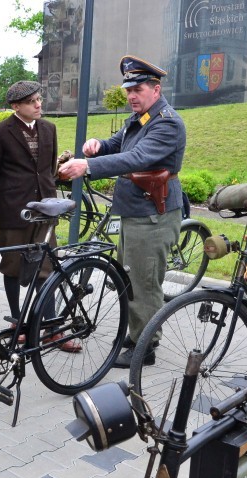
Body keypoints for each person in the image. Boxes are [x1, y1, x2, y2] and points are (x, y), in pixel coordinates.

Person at [58, 55, 186, 368]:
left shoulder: (167, 122)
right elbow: (120, 144)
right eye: (128, 89)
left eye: (137, 89)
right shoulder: (142, 118)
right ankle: (137, 334)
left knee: (145, 283)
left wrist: (88, 166)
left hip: (152, 216)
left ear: (155, 90)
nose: (131, 95)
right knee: (131, 278)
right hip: (134, 212)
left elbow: (137, 158)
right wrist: (98, 146)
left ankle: (146, 348)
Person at [0, 80, 81, 353]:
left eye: (39, 99)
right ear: (16, 106)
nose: (39, 105)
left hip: (46, 210)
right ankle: (17, 322)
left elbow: (47, 169)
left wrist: (46, 194)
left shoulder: (49, 129)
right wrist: (10, 197)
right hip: (14, 212)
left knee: (47, 268)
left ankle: (51, 328)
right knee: (12, 266)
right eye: (31, 101)